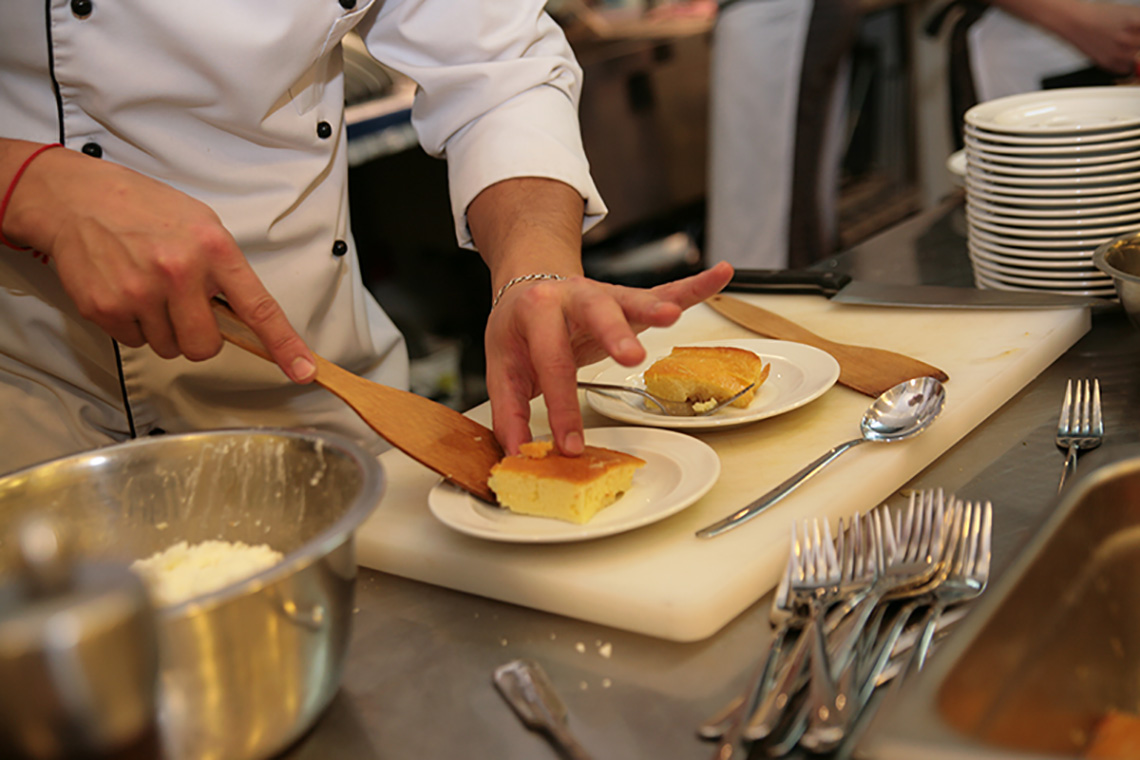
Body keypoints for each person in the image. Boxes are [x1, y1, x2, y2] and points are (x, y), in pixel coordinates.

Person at [0, 1, 734, 475]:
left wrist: (533, 272)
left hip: (315, 404)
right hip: (32, 411)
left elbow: (497, 66)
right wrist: (26, 182)